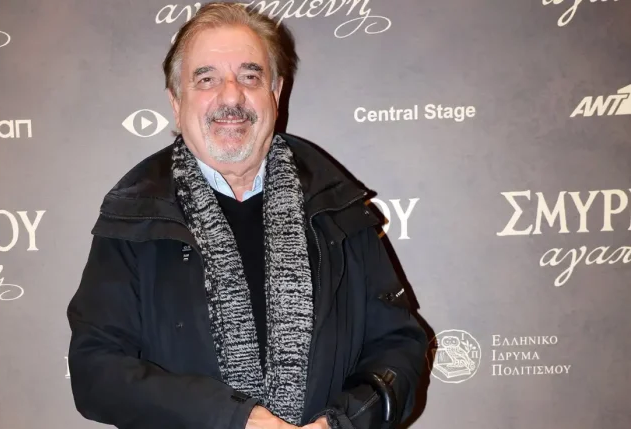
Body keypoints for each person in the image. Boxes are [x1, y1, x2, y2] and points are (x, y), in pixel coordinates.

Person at [66, 3, 427, 429]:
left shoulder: (338, 208)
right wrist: (230, 418)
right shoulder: (134, 216)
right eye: (206, 79)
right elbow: (96, 372)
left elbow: (399, 347)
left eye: (250, 76)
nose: (231, 96)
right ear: (176, 102)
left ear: (276, 92)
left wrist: (343, 423)